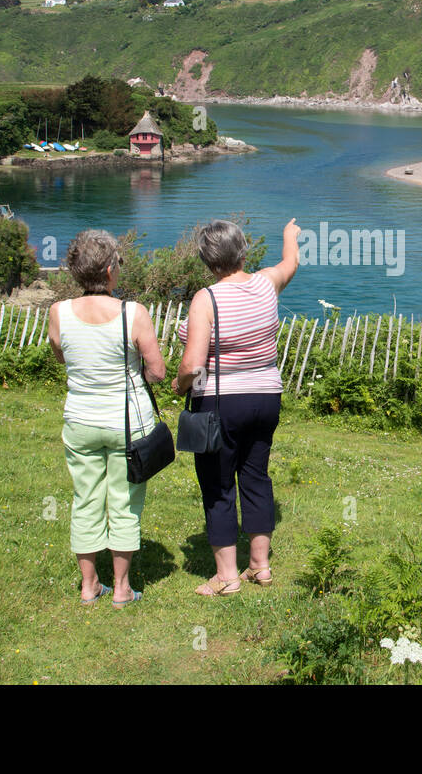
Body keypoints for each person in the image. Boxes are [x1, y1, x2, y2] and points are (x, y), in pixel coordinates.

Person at [174, 218, 300, 596]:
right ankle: (260, 566)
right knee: (256, 476)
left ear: (206, 260)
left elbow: (193, 365)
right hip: (265, 397)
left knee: (217, 483)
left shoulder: (206, 299)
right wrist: (288, 236)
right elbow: (290, 262)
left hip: (219, 402)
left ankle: (227, 576)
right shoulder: (267, 283)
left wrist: (181, 386)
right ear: (243, 251)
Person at [48, 229, 166, 608]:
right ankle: (121, 588)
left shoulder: (59, 312)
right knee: (125, 502)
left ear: (75, 271)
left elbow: (60, 355)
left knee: (85, 499)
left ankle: (88, 586)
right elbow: (158, 371)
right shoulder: (133, 313)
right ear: (112, 270)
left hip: (80, 420)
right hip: (128, 422)